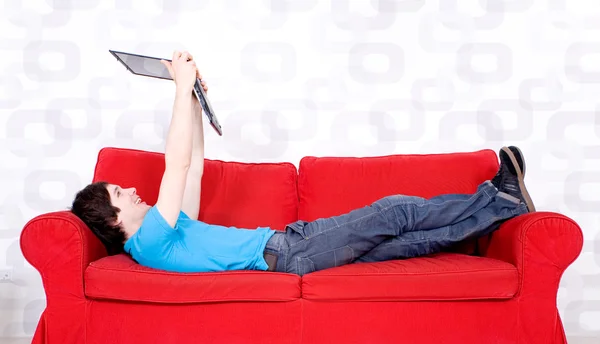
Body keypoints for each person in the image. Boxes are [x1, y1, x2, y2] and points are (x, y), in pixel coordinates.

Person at [71, 50, 535, 276]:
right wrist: (177, 86)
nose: (131, 190)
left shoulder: (165, 236)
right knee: (397, 211)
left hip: (290, 251)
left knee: (413, 242)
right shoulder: (149, 239)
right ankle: (495, 195)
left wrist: (193, 103)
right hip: (289, 250)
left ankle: (505, 208)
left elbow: (190, 167)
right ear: (113, 219)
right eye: (119, 194)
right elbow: (175, 167)